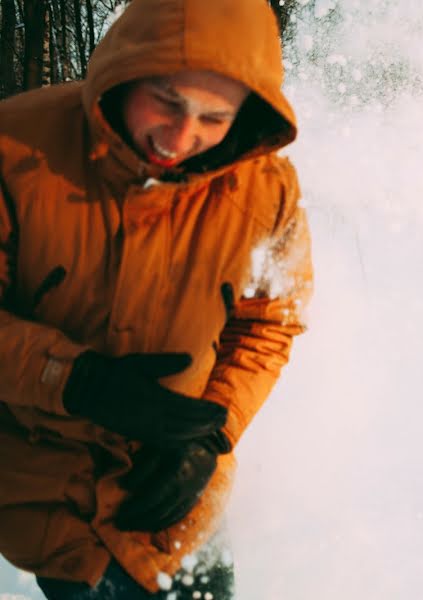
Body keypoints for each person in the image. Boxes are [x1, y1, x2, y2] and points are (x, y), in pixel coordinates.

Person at [0, 0, 312, 598]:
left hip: (181, 492)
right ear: (126, 69)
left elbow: (271, 322)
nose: (179, 137)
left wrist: (211, 436)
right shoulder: (16, 149)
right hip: (52, 494)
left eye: (214, 117)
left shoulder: (267, 187)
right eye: (167, 101)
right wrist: (74, 379)